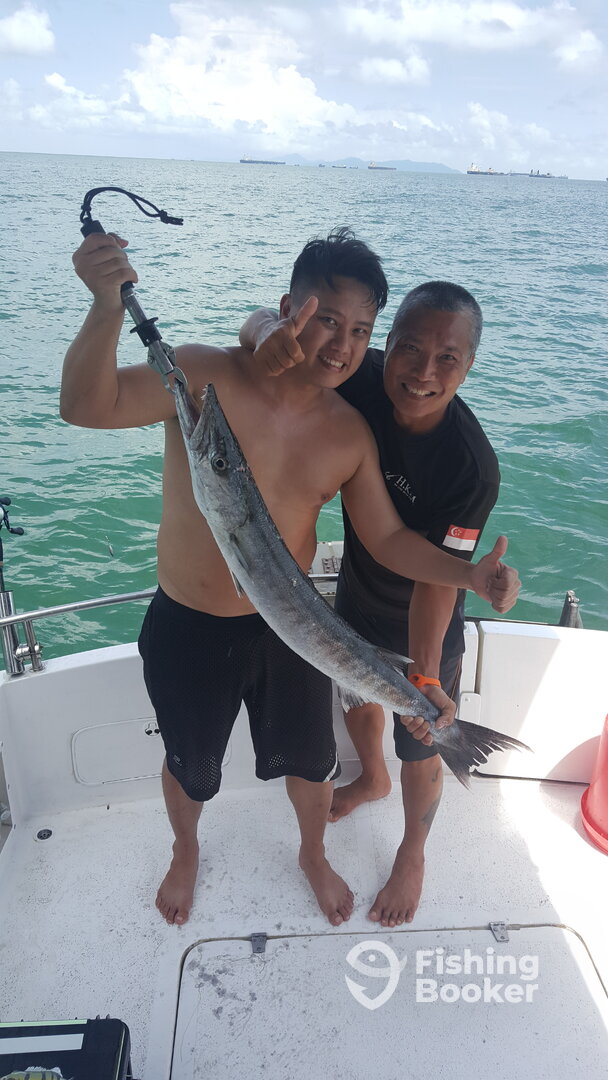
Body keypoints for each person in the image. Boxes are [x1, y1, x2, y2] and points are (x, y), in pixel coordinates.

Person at [62, 228, 519, 930]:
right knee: (190, 766)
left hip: (295, 632)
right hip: (189, 623)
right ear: (287, 309)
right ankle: (185, 849)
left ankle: (312, 852)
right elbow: (85, 407)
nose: (342, 345)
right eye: (325, 320)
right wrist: (105, 306)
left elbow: (389, 540)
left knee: (311, 763)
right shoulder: (203, 374)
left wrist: (469, 575)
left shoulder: (350, 430)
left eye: (359, 330)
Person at [241, 278, 505, 928]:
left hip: (424, 618)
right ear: (388, 343)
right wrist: (266, 332)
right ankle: (371, 778)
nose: (423, 372)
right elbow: (257, 324)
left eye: (447, 358)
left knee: (424, 740)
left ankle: (413, 850)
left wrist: (424, 674)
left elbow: (439, 579)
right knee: (356, 696)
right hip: (357, 589)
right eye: (410, 348)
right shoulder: (362, 376)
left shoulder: (470, 467)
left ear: (469, 365)